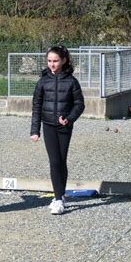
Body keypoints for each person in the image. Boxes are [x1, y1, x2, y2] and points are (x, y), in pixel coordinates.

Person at [30, 46, 85, 215]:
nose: (52, 64)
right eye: (49, 61)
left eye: (55, 61)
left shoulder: (71, 81)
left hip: (65, 126)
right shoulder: (42, 81)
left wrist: (69, 118)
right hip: (48, 125)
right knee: (54, 161)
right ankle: (58, 199)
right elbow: (36, 106)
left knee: (62, 160)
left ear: (64, 61)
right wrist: (35, 130)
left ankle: (60, 193)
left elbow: (79, 104)